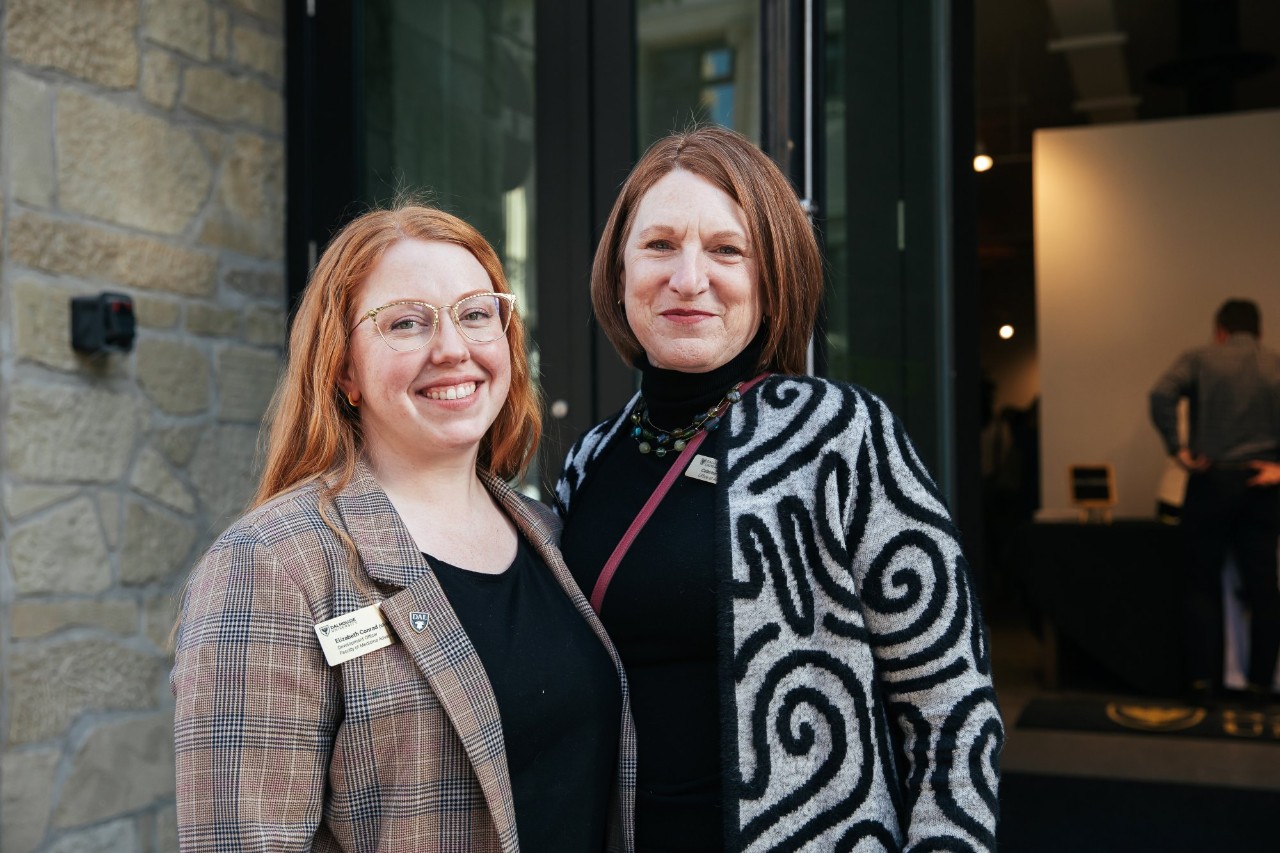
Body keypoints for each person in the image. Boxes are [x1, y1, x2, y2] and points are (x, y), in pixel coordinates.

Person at [555, 126, 1002, 852]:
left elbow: (951, 706)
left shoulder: (843, 436)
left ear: (775, 274)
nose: (688, 277)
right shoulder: (590, 457)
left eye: (727, 249)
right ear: (618, 269)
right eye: (660, 245)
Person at [172, 205, 635, 852]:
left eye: (476, 314)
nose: (452, 349)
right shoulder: (272, 564)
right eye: (406, 323)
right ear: (343, 369)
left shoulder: (549, 533)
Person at [1149, 298, 1280, 700]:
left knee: (1201, 585)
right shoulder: (1275, 363)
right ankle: (1260, 684)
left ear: (1220, 330)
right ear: (1258, 331)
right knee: (1263, 589)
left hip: (1212, 480)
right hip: (1263, 484)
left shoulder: (1200, 359)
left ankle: (1203, 682)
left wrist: (1179, 449)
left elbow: (1161, 394)